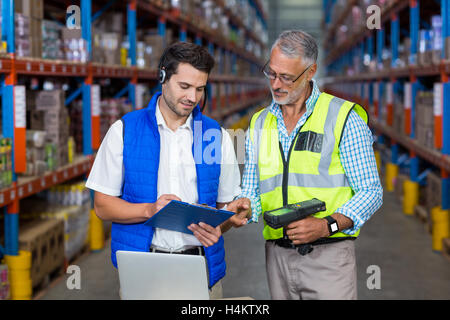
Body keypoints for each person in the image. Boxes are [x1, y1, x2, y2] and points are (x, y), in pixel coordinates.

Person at [228, 30, 383, 300]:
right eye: (272, 73)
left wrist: (327, 225)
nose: (276, 84)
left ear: (311, 71)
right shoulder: (260, 123)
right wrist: (245, 205)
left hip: (328, 257)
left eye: (286, 77)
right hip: (276, 255)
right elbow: (252, 188)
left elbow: (371, 191)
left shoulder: (343, 117)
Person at [85, 41, 246, 299]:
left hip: (201, 269)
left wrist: (224, 222)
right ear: (162, 77)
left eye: (200, 89)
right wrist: (149, 210)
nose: (192, 98)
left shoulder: (216, 136)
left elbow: (227, 206)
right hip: (143, 268)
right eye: (184, 86)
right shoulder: (124, 131)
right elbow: (102, 205)